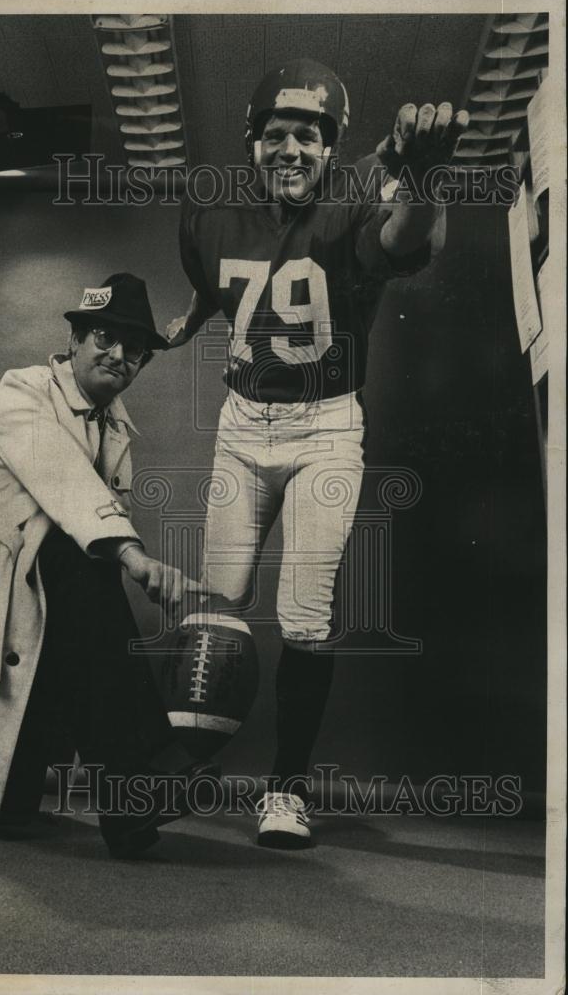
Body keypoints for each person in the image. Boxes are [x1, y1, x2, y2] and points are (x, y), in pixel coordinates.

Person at [166, 59, 468, 848]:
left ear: (331, 149)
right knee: (215, 609)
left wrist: (426, 183)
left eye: (308, 134)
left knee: (303, 615)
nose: (290, 148)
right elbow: (216, 280)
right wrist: (194, 315)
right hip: (240, 427)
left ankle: (286, 789)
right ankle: (186, 767)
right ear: (250, 143)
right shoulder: (208, 214)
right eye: (275, 134)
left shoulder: (355, 202)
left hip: (324, 428)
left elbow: (405, 241)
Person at [0, 273, 206, 858]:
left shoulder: (117, 428)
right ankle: (141, 781)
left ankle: (136, 784)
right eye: (104, 336)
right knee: (83, 565)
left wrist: (127, 556)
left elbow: (87, 516)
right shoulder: (23, 387)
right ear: (74, 339)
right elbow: (59, 478)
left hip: (50, 603)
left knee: (10, 803)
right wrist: (131, 556)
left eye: (135, 350)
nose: (118, 355)